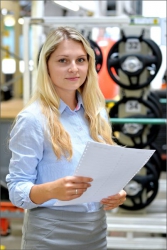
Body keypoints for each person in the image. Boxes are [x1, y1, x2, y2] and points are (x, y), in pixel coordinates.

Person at [6, 26, 126, 250]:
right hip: (50, 235)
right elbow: (16, 189)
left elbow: (103, 174)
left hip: (95, 232)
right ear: (47, 67)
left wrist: (116, 193)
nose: (74, 69)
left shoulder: (97, 113)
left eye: (81, 60)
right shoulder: (33, 119)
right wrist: (52, 190)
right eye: (63, 60)